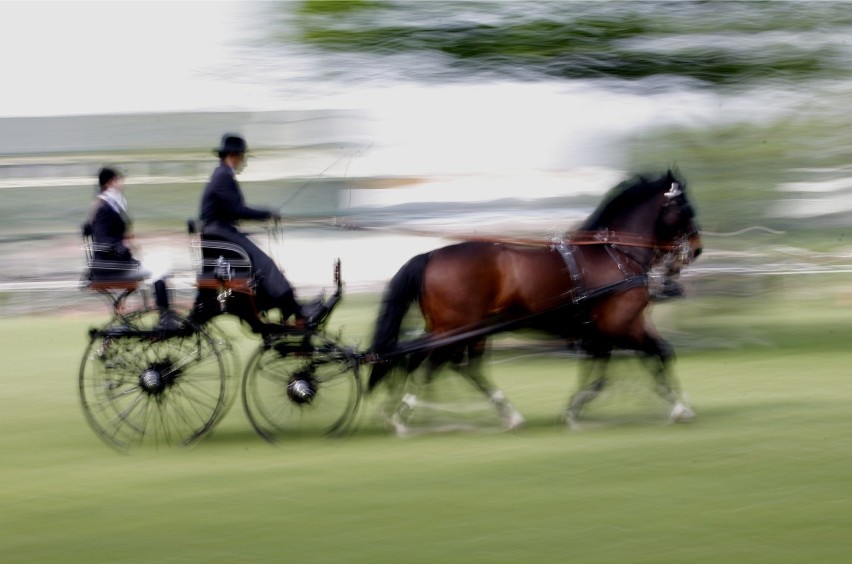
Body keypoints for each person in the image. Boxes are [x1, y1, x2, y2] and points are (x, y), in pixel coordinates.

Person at [197, 133, 307, 324]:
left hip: (220, 232)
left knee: (259, 264)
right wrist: (266, 213)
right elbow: (237, 209)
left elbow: (230, 211)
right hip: (220, 233)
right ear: (234, 155)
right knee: (265, 262)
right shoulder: (223, 175)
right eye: (242, 155)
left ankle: (280, 304)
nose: (243, 160)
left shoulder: (221, 173)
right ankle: (291, 306)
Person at [87, 166, 179, 328]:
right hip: (113, 268)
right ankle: (165, 318)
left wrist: (125, 245)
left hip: (115, 264)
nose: (122, 184)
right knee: (161, 267)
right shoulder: (105, 208)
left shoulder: (110, 205)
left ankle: (165, 314)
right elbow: (104, 240)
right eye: (119, 180)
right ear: (110, 182)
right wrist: (123, 246)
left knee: (159, 264)